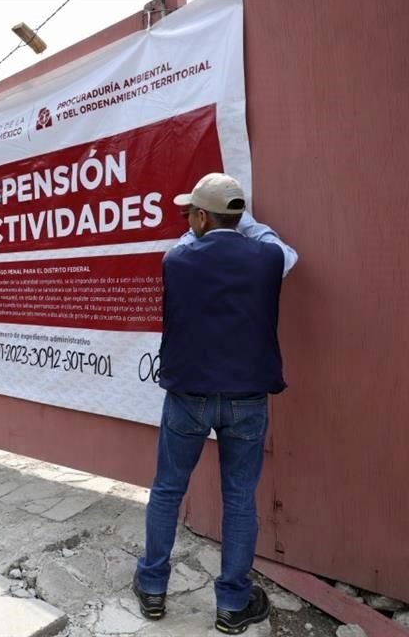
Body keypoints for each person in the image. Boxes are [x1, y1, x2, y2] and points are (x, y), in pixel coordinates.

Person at [133, 173, 298, 635]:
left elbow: (190, 240)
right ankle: (232, 603)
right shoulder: (268, 257)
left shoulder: (177, 259)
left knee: (167, 490)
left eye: (191, 213)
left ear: (201, 217)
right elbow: (283, 251)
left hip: (188, 396)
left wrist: (208, 223)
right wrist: (246, 221)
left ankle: (152, 590)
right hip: (247, 398)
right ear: (239, 217)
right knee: (240, 499)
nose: (188, 220)